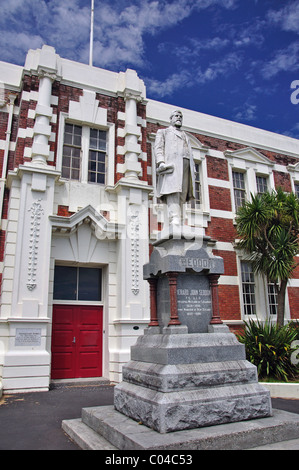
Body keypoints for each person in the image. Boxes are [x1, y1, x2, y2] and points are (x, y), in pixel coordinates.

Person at [154, 110, 196, 225]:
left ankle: (180, 218)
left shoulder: (185, 135)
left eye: (180, 116)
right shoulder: (163, 132)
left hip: (186, 164)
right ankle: (174, 217)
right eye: (176, 116)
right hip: (172, 165)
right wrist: (161, 162)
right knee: (173, 191)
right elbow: (158, 148)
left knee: (183, 192)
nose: (179, 118)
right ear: (171, 118)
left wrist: (193, 168)